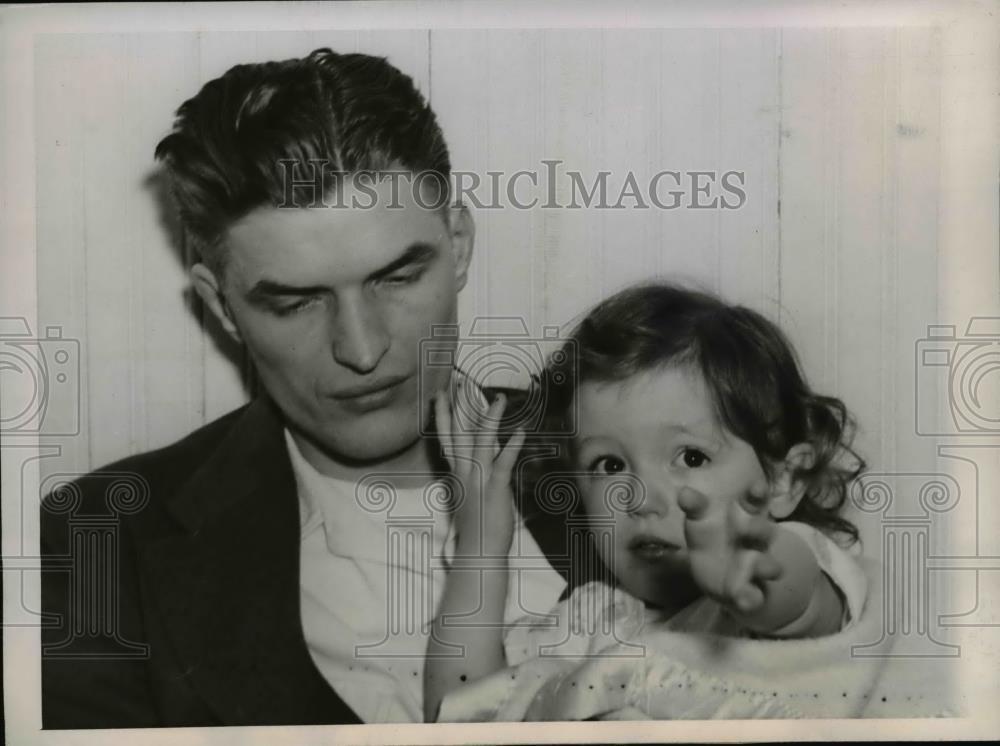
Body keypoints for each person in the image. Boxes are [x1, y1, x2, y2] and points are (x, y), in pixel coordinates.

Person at [39, 47, 565, 728]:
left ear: (458, 245)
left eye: (397, 278)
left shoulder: (653, 447)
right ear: (223, 306)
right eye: (295, 303)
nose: (363, 349)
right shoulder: (95, 549)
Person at [426, 283, 888, 722]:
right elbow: (463, 714)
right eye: (609, 465)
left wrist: (755, 569)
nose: (640, 498)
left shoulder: (790, 571)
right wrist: (480, 549)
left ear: (783, 481)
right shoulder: (586, 625)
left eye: (691, 456)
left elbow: (805, 607)